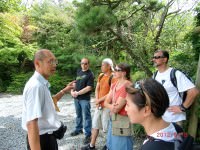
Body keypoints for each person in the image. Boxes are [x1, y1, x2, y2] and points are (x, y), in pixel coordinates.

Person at [22, 49, 74, 150]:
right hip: (42, 140)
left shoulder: (41, 83)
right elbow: (31, 123)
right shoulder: (36, 86)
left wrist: (64, 90)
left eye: (55, 61)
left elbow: (50, 102)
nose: (54, 65)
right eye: (50, 61)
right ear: (37, 63)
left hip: (47, 138)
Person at [152, 50, 199, 125]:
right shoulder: (155, 75)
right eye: (153, 57)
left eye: (157, 57)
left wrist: (182, 107)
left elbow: (193, 91)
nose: (154, 59)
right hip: (160, 118)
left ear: (165, 59)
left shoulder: (175, 74)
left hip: (174, 119)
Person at [81, 58, 116, 150]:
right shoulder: (101, 76)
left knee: (107, 128)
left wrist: (100, 100)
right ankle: (92, 146)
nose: (101, 67)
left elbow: (111, 93)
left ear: (109, 66)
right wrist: (97, 100)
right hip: (99, 106)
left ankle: (109, 146)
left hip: (107, 106)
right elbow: (97, 88)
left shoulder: (113, 77)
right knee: (95, 126)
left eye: (103, 65)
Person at [104, 63, 134, 150]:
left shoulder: (127, 85)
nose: (114, 72)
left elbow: (117, 108)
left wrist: (110, 106)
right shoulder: (114, 84)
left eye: (117, 70)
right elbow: (106, 102)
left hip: (123, 121)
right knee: (112, 146)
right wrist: (111, 106)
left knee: (122, 146)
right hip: (113, 119)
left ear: (124, 73)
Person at [70, 58, 94, 145]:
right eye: (82, 63)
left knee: (87, 116)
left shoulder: (90, 74)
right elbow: (74, 83)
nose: (84, 65)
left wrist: (78, 93)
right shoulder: (79, 71)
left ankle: (88, 134)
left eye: (86, 63)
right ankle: (78, 129)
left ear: (88, 64)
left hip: (84, 99)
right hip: (76, 99)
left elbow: (89, 87)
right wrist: (72, 91)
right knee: (78, 115)